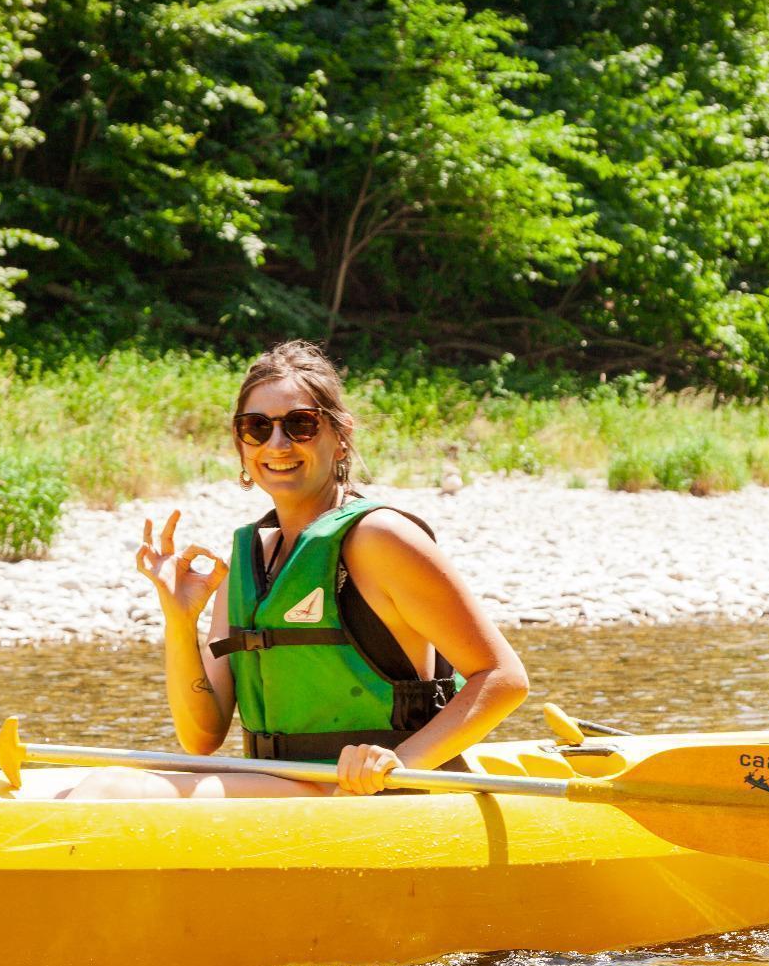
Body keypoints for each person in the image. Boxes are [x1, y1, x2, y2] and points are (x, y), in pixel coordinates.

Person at [65, 340, 529, 799]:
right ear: (241, 443)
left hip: (379, 798)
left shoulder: (380, 538)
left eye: (300, 425)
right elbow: (202, 737)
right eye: (257, 427)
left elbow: (503, 677)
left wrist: (399, 764)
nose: (277, 443)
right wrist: (179, 621)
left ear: (341, 435)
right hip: (287, 790)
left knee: (110, 790)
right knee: (82, 790)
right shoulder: (248, 561)